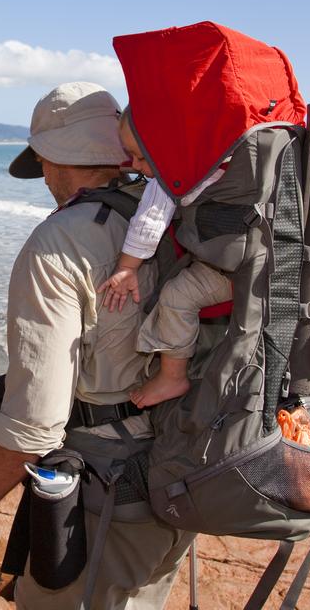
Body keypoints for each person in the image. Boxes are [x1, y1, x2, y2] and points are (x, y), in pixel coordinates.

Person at [0, 82, 194, 610]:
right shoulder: (170, 217)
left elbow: (37, 422)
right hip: (181, 474)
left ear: (52, 158)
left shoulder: (61, 242)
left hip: (108, 495)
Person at [96, 112, 232, 408]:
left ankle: (173, 377)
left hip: (228, 273)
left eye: (140, 157)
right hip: (269, 264)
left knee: (176, 295)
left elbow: (149, 221)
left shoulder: (174, 170)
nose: (134, 166)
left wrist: (126, 268)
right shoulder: (228, 153)